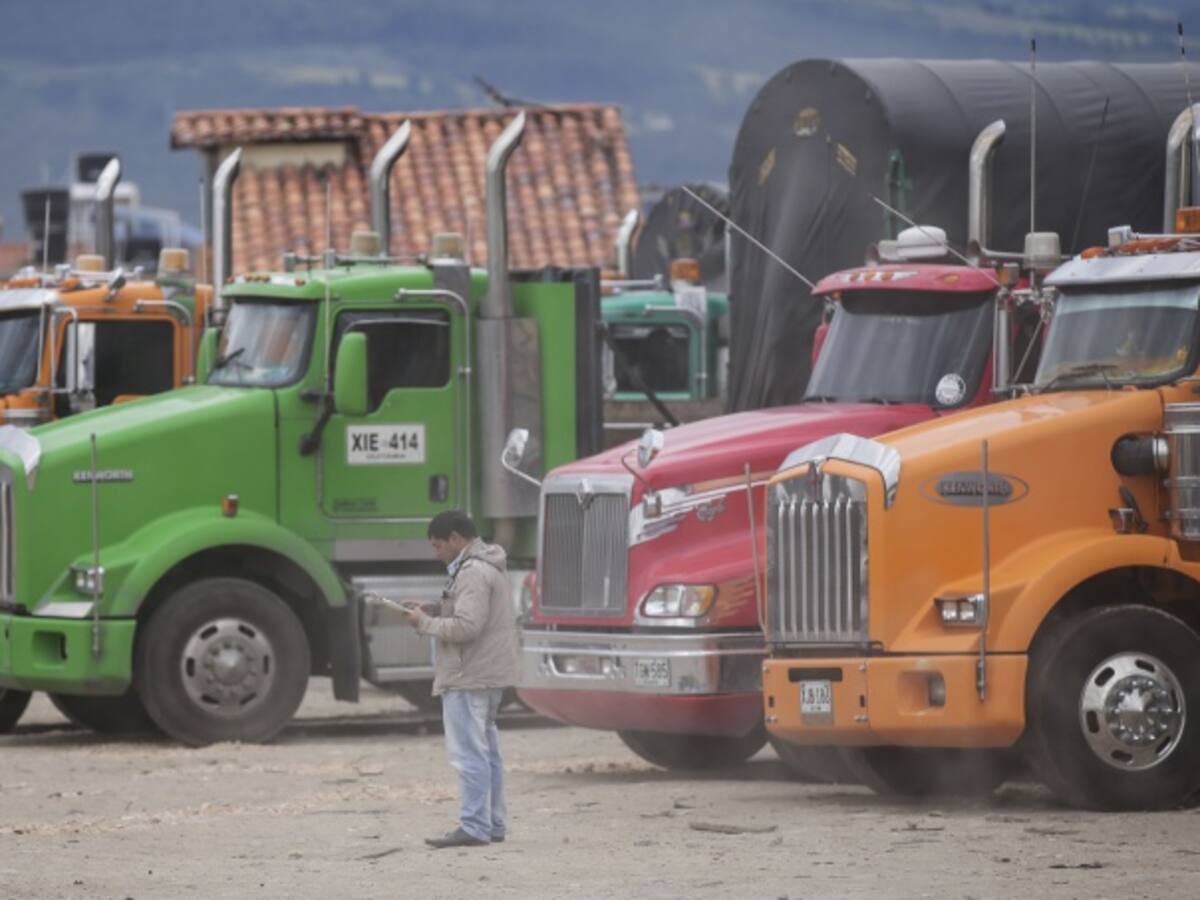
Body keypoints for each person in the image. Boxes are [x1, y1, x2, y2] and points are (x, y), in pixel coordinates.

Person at [398, 510, 519, 849]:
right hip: (487, 674)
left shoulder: (472, 573)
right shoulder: (485, 566)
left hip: (469, 675)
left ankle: (475, 825)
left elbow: (467, 627)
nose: (437, 552)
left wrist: (423, 623)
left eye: (438, 546)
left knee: (469, 754)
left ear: (455, 539)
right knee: (488, 752)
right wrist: (434, 609)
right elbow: (469, 614)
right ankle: (492, 823)